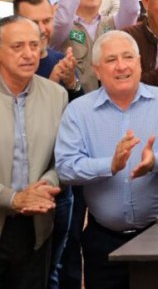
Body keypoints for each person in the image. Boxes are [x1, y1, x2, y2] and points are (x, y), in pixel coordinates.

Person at [55, 31, 158, 289]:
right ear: (97, 70)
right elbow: (65, 168)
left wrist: (156, 162)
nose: (121, 66)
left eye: (128, 57)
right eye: (111, 60)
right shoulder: (79, 111)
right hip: (103, 241)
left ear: (139, 63)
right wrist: (110, 165)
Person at [12, 0, 83, 289]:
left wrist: (70, 83)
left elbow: (73, 120)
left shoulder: (60, 60)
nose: (41, 30)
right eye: (33, 22)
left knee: (53, 265)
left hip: (54, 190)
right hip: (10, 193)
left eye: (47, 21)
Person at [0, 15, 68, 289]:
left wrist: (46, 185)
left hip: (35, 227)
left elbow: (63, 159)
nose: (29, 54)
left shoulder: (56, 95)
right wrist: (14, 198)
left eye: (34, 44)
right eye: (17, 47)